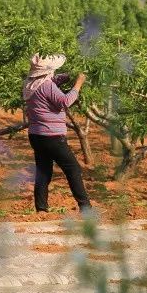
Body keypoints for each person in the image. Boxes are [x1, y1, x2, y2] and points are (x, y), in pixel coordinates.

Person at [22, 53, 92, 213]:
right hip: (51, 136)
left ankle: (41, 208)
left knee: (43, 172)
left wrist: (67, 76)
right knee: (73, 169)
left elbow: (51, 82)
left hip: (36, 135)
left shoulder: (30, 83)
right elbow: (65, 101)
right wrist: (78, 84)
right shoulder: (47, 86)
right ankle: (85, 207)